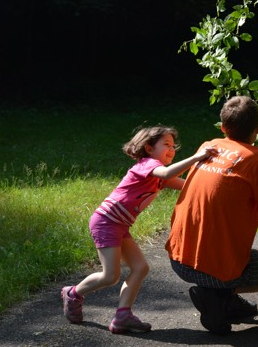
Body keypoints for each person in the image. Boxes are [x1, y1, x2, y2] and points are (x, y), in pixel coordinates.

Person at [61, 125, 216, 334]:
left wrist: (215, 176)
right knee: (110, 276)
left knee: (140, 268)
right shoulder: (147, 165)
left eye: (173, 145)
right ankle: (72, 293)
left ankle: (122, 315)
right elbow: (169, 171)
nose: (172, 149)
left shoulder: (160, 177)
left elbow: (191, 185)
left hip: (120, 224)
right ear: (149, 148)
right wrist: (197, 157)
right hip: (106, 221)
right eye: (166, 144)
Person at [165, 96, 258, 335]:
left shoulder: (208, 146)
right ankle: (219, 298)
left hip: (178, 260)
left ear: (222, 127)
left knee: (223, 257)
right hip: (215, 270)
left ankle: (218, 298)